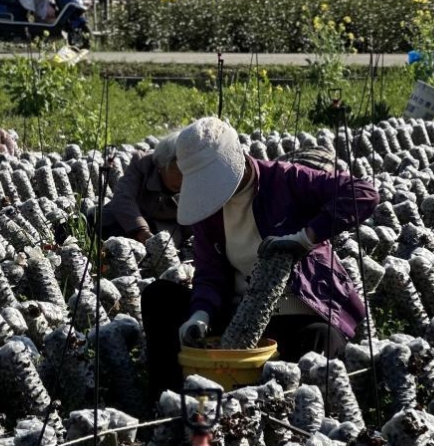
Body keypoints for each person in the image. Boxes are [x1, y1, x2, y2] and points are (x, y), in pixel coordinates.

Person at [141, 117, 379, 401]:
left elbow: (363, 193)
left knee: (320, 340)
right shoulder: (208, 210)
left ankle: (294, 419)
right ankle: (171, 404)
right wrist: (200, 314)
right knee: (159, 297)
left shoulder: (284, 180)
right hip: (239, 311)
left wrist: (307, 237)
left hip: (296, 308)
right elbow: (209, 273)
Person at [92, 131, 189, 244]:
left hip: (167, 227)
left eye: (187, 173)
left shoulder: (198, 176)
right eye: (177, 173)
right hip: (130, 221)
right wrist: (141, 231)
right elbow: (123, 197)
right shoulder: (142, 164)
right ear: (161, 165)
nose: (183, 179)